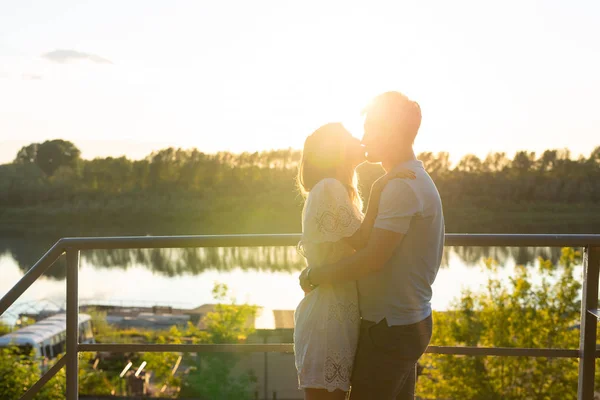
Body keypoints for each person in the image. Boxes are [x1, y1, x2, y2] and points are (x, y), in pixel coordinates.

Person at [299, 92, 445, 399]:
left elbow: (371, 258)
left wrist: (314, 276)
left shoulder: (401, 185)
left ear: (389, 131)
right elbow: (363, 245)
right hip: (392, 322)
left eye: (368, 129)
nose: (364, 139)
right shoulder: (403, 181)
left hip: (391, 326)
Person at [294, 122, 415, 400]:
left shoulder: (339, 191)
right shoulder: (328, 189)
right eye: (350, 137)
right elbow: (363, 242)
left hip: (340, 314)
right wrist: (379, 188)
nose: (360, 140)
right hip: (327, 319)